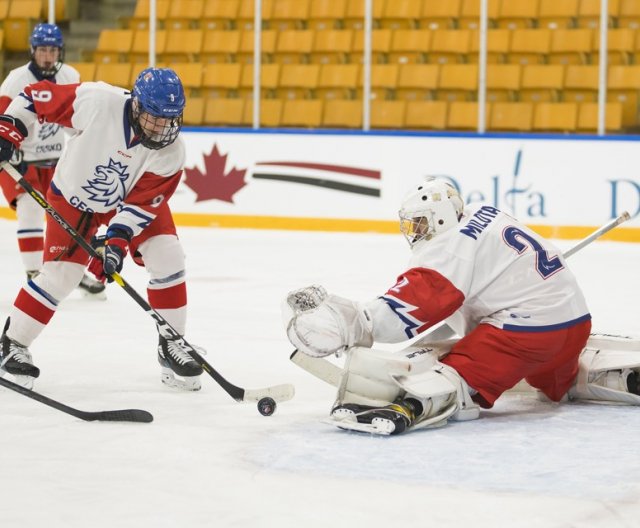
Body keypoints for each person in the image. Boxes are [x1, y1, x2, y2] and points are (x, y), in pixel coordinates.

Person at [284, 178, 640, 435]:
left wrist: (356, 324)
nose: (414, 230)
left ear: (440, 218)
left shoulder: (449, 246)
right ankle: (599, 378)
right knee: (552, 384)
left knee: (455, 372)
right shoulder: (485, 213)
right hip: (574, 323)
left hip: (525, 334)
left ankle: (415, 404)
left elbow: (417, 303)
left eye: (420, 222)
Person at [0, 66, 203, 391]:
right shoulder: (97, 101)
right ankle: (12, 343)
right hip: (73, 197)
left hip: (128, 198)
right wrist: (9, 130)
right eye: (153, 117)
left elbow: (140, 205)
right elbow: (34, 98)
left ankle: (172, 343)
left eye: (169, 119)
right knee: (61, 275)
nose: (161, 127)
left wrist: (116, 244)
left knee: (168, 254)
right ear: (136, 105)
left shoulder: (171, 151)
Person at [0, 23, 105, 296]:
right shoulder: (16, 79)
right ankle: (35, 273)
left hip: (58, 159)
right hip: (23, 160)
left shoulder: (70, 74)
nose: (48, 55)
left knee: (69, 215)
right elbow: (4, 119)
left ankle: (71, 270)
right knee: (30, 210)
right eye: (43, 49)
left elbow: (78, 117)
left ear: (61, 51)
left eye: (53, 50)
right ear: (33, 50)